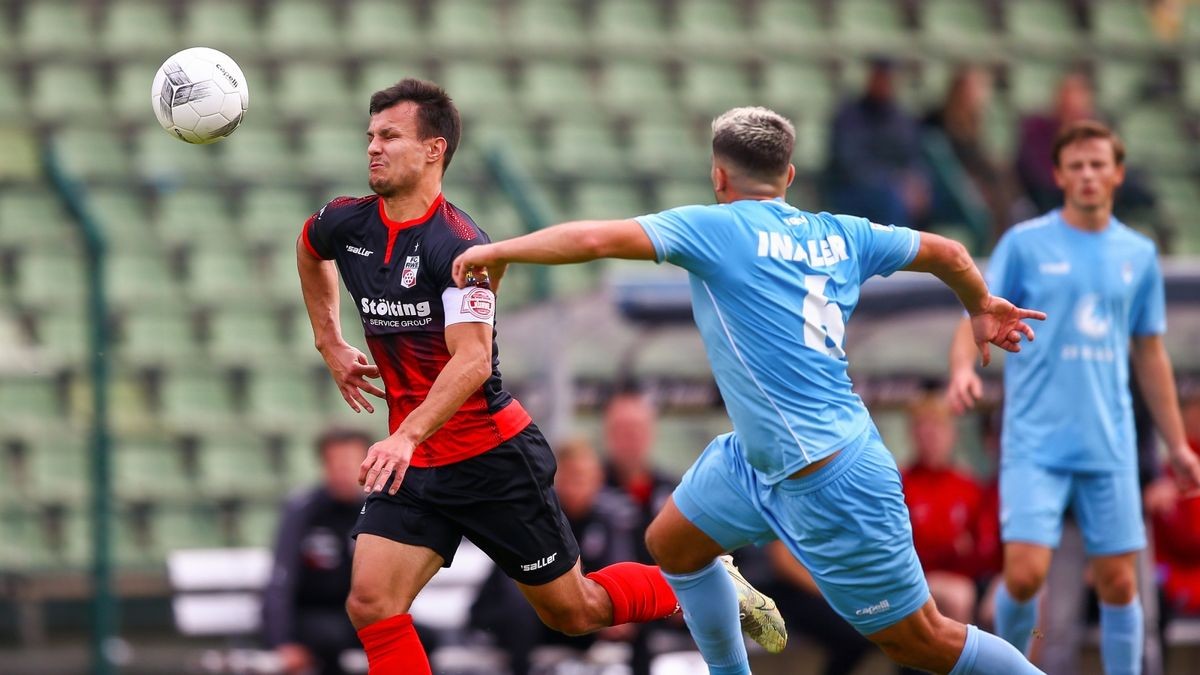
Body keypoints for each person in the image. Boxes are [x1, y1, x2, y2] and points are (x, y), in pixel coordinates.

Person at [452, 105, 1047, 674]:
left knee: (921, 641)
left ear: (717, 175)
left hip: (831, 477)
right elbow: (948, 251)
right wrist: (980, 304)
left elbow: (592, 242)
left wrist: (503, 249)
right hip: (757, 460)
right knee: (675, 544)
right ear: (788, 175)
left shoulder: (716, 228)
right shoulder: (843, 233)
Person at [294, 79, 781, 674]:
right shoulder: (349, 222)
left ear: (433, 149)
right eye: (370, 135)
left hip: (490, 458)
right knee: (371, 603)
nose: (372, 147)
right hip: (418, 465)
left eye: (390, 135)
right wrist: (329, 339)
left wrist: (405, 435)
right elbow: (309, 245)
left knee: (573, 611)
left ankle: (707, 582)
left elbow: (471, 361)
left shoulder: (461, 247)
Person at [946, 120, 1200, 674]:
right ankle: (1007, 668)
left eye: (1098, 164)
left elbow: (1150, 354)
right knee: (1024, 576)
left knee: (1117, 583)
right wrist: (963, 370)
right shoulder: (1025, 243)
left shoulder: (1138, 254)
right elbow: (979, 316)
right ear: (1059, 174)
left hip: (1109, 447)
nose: (1088, 174)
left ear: (1117, 173)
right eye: (1077, 166)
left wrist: (1177, 446)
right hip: (1035, 443)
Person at [470, 437, 643, 675]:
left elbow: (619, 571)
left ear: (598, 480)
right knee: (522, 611)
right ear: (556, 481)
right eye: (572, 478)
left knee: (638, 616)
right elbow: (515, 589)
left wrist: (617, 609)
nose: (578, 486)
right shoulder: (535, 519)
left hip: (572, 615)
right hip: (517, 612)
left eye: (585, 478)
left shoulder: (608, 521)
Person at [261, 429, 372, 675]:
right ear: (324, 464)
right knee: (331, 638)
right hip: (310, 615)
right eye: (336, 463)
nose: (344, 471)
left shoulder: (375, 510)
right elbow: (281, 579)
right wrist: (281, 642)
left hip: (358, 617)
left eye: (353, 462)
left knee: (423, 638)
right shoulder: (304, 510)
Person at [901, 395, 988, 625]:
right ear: (912, 434)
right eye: (923, 427)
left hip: (964, 579)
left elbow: (982, 549)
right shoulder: (900, 484)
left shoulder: (969, 487)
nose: (930, 435)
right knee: (958, 596)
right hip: (915, 579)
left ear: (953, 434)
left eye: (938, 426)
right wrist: (951, 548)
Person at [826, 58, 931, 229]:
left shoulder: (900, 118)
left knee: (927, 194)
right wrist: (893, 180)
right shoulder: (850, 116)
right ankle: (897, 252)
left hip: (894, 189)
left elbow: (912, 156)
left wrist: (916, 182)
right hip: (852, 189)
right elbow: (850, 165)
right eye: (880, 78)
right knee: (892, 198)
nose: (885, 84)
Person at [601, 388, 676, 564]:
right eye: (622, 429)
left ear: (652, 432)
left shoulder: (675, 493)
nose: (631, 437)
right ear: (607, 433)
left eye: (637, 428)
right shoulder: (587, 497)